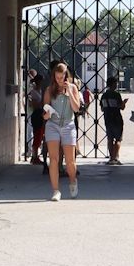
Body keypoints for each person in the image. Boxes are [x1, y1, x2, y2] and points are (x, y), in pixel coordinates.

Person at [41, 61, 85, 199]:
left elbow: (77, 108)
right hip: (53, 125)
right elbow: (45, 110)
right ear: (54, 76)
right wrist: (46, 115)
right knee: (54, 159)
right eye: (57, 77)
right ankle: (56, 190)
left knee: (70, 161)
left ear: (66, 76)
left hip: (68, 125)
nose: (59, 80)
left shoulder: (72, 88)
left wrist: (70, 93)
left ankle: (73, 181)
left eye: (62, 77)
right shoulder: (49, 90)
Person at [99, 75, 127, 164]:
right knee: (118, 139)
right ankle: (116, 157)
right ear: (113, 84)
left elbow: (102, 108)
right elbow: (121, 107)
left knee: (110, 139)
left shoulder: (103, 95)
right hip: (117, 118)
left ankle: (111, 158)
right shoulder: (116, 94)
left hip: (107, 119)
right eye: (116, 83)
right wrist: (124, 103)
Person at [25, 69, 47, 171]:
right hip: (37, 115)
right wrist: (42, 101)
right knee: (37, 135)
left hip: (42, 114)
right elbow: (34, 105)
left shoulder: (42, 91)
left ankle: (37, 155)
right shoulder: (34, 92)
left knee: (41, 135)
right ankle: (34, 156)